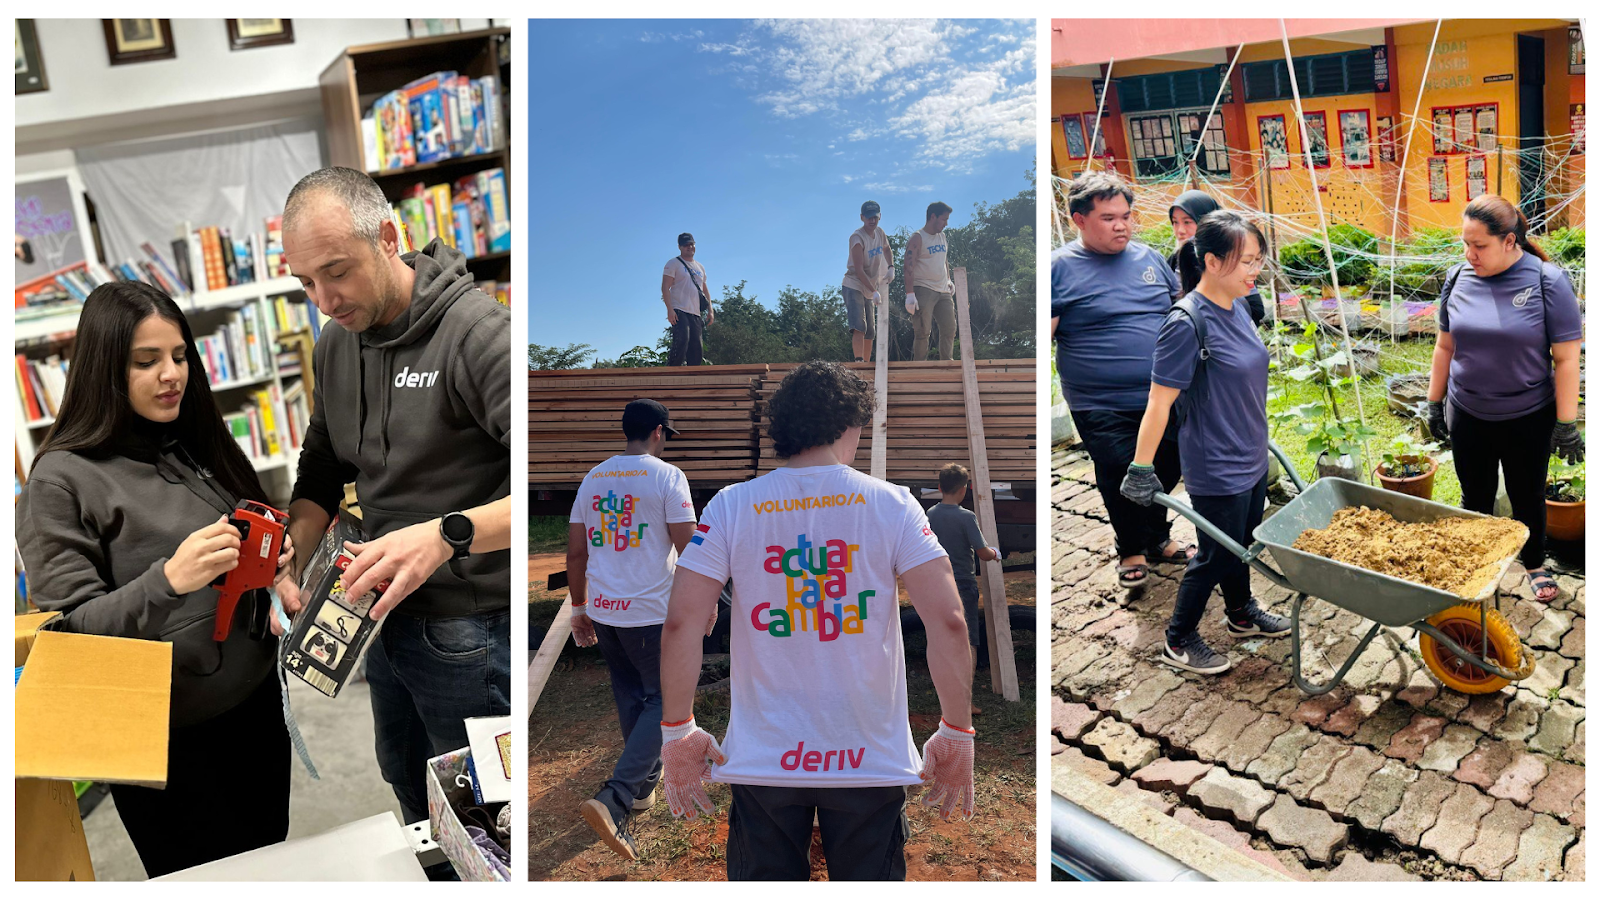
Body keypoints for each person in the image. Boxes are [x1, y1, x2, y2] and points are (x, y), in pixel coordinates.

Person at [655, 360, 975, 881]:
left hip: (765, 761)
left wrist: (678, 731)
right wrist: (957, 730)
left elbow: (682, 622)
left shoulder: (732, 506)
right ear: (851, 426)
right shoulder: (894, 504)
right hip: (868, 759)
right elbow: (950, 622)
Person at [17, 281, 294, 876]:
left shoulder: (188, 440)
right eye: (146, 362)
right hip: (165, 740)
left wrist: (272, 560)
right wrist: (169, 578)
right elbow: (70, 632)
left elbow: (244, 545)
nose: (171, 375)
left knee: (272, 865)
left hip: (254, 704)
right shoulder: (59, 482)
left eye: (179, 356)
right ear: (103, 369)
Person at [274, 166, 512, 828]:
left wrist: (445, 535)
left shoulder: (478, 334)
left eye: (337, 271)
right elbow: (321, 465)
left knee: (491, 817)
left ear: (387, 236)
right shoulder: (335, 342)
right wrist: (292, 551)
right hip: (378, 618)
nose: (324, 298)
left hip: (472, 628)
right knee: (413, 798)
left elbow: (550, 489)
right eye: (305, 282)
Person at [1120, 211, 1290, 676]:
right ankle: (1178, 638)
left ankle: (1240, 613)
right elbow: (1158, 403)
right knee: (1215, 554)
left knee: (1243, 543)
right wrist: (1141, 467)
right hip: (1217, 463)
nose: (1255, 271)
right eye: (1247, 262)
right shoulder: (1186, 322)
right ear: (1212, 262)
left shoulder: (1238, 307)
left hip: (1251, 451)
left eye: (1259, 260)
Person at [1425, 194, 1583, 603]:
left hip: (1527, 415)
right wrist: (1433, 400)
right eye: (1465, 243)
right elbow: (1445, 347)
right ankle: (1478, 563)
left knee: (1526, 493)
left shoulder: (1547, 281)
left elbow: (1566, 358)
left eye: (1480, 246)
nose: (1469, 253)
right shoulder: (1457, 278)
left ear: (1510, 241)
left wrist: (1567, 423)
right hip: (1468, 410)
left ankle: (1533, 562)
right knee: (1473, 493)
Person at [568, 400, 701, 860]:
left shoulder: (593, 478)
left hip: (606, 611)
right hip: (651, 612)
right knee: (664, 699)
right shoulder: (667, 477)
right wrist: (702, 604)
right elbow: (691, 547)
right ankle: (616, 798)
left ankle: (642, 783)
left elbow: (576, 554)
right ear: (659, 432)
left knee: (630, 693)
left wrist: (579, 607)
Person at [1051, 171, 1194, 588]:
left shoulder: (1149, 259)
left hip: (1163, 393)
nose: (1122, 226)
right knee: (1120, 469)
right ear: (1079, 219)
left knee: (1167, 464)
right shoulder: (1059, 269)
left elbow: (1179, 310)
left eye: (1127, 216)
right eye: (1109, 217)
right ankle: (1130, 547)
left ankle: (1157, 538)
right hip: (1100, 400)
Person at [926, 463, 1001, 711]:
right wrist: (995, 553)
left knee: (940, 638)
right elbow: (982, 552)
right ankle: (964, 702)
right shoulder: (966, 517)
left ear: (939, 488)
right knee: (968, 641)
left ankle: (943, 694)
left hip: (937, 583)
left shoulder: (930, 514)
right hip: (962, 583)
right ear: (965, 489)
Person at [1168, 190, 1264, 324]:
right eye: (1175, 222)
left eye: (1187, 222)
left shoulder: (1228, 260)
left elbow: (1256, 309)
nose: (1180, 231)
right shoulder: (1173, 262)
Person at [904, 201, 957, 360]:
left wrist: (948, 279)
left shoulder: (942, 236)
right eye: (944, 219)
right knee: (922, 331)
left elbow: (944, 260)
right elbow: (908, 266)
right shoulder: (918, 238)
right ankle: (919, 368)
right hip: (923, 288)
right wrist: (910, 294)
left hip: (943, 290)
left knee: (949, 328)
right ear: (932, 217)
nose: (946, 223)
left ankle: (947, 364)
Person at [843, 201, 894, 363]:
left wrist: (891, 266)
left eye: (875, 216)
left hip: (870, 287)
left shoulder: (880, 233)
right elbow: (858, 269)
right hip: (854, 284)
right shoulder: (857, 237)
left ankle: (868, 363)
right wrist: (874, 291)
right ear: (862, 217)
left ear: (879, 216)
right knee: (859, 326)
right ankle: (859, 362)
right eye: (868, 217)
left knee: (870, 329)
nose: (872, 220)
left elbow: (886, 249)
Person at [663, 232, 714, 366]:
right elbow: (665, 287)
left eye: (692, 244)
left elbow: (705, 290)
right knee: (682, 340)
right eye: (686, 245)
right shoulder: (674, 263)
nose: (689, 247)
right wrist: (670, 309)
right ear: (680, 246)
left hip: (696, 312)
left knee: (696, 347)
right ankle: (671, 373)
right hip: (679, 309)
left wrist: (710, 310)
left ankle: (693, 377)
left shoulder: (700, 267)